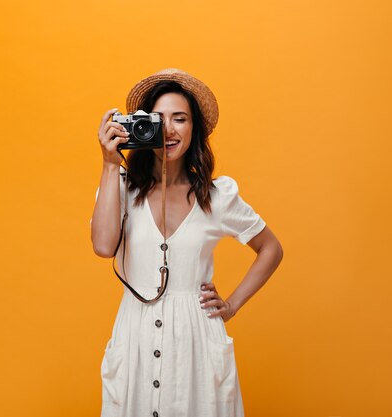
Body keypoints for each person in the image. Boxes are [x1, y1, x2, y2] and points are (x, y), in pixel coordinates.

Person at [90, 68, 283, 417]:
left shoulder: (217, 195)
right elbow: (104, 247)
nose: (169, 130)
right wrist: (107, 164)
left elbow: (271, 248)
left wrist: (232, 304)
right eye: (158, 119)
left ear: (194, 130)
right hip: (136, 337)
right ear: (141, 126)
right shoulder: (120, 187)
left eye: (180, 119)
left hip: (196, 343)